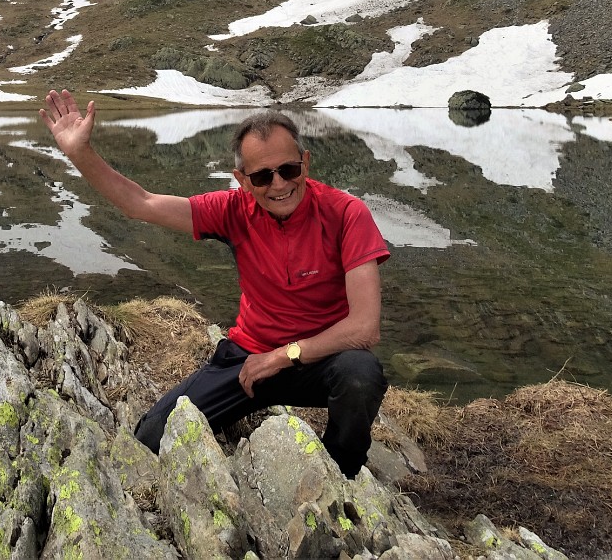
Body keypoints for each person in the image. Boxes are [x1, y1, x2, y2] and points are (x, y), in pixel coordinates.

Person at [39, 89, 389, 478]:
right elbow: (140, 204)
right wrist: (79, 153)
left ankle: (341, 473)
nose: (278, 185)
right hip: (245, 360)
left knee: (361, 374)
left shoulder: (346, 214)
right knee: (153, 436)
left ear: (305, 162)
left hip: (319, 363)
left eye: (288, 170)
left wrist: (282, 355)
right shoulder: (232, 210)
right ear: (242, 180)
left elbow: (364, 328)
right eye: (261, 176)